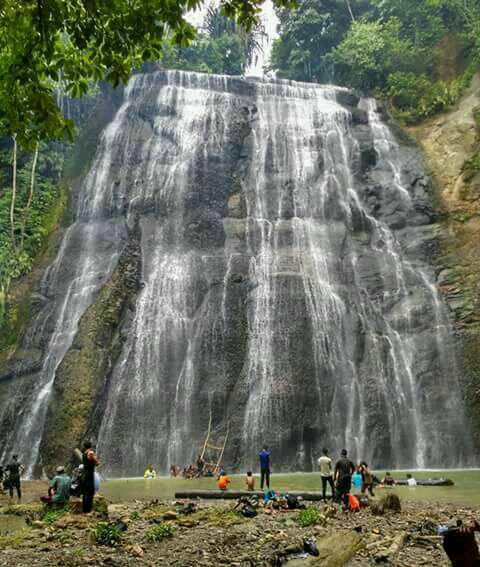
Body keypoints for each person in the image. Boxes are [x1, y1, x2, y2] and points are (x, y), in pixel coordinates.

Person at [82, 441, 99, 513]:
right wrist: (96, 460)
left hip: (85, 473)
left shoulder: (84, 453)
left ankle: (85, 508)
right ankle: (88, 509)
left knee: (86, 491)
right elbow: (97, 463)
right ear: (90, 446)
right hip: (89, 474)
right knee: (90, 491)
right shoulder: (90, 453)